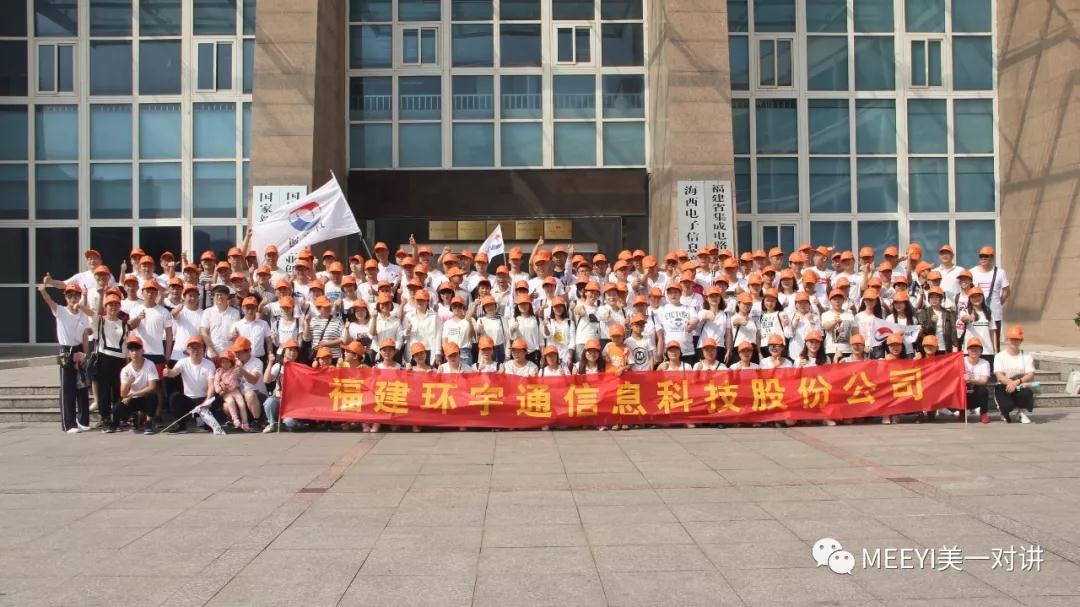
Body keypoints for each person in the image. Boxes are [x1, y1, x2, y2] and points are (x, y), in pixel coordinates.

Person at [38, 281, 92, 433]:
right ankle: (68, 424)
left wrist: (86, 356)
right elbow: (50, 301)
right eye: (70, 295)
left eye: (76, 295)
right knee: (67, 386)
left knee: (81, 385)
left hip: (79, 349)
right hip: (65, 350)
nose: (73, 298)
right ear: (66, 298)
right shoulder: (61, 311)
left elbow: (85, 336)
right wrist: (43, 291)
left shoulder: (83, 313)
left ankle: (82, 420)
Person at [163, 336, 220, 433]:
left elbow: (211, 386)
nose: (196, 351)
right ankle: (181, 425)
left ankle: (206, 421)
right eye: (193, 348)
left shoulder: (209, 365)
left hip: (204, 398)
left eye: (199, 348)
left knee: (215, 400)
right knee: (174, 397)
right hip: (189, 400)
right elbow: (174, 372)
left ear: (203, 349)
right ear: (188, 350)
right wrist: (168, 372)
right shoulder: (182, 362)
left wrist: (207, 401)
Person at [90, 293, 129, 430]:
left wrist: (127, 363)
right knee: (104, 390)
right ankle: (105, 417)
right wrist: (100, 294)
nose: (113, 307)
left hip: (120, 359)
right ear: (105, 307)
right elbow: (92, 314)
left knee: (118, 389)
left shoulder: (123, 324)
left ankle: (117, 418)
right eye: (110, 305)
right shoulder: (100, 321)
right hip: (104, 357)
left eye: (116, 305)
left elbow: (125, 345)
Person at [115, 335, 159, 434]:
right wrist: (128, 383)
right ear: (128, 353)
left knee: (152, 395)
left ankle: (148, 423)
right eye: (132, 350)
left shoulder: (150, 364)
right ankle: (133, 417)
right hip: (132, 399)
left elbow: (152, 387)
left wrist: (133, 394)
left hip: (144, 398)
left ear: (142, 351)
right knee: (117, 407)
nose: (135, 353)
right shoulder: (125, 370)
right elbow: (123, 393)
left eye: (137, 349)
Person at [969, 246, 1009, 350]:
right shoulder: (972, 272)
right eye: (981, 256)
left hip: (994, 315)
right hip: (977, 314)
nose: (983, 258)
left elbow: (1006, 291)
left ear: (992, 257)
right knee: (976, 342)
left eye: (986, 256)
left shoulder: (1000, 273)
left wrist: (998, 303)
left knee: (994, 344)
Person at [994, 326, 1035, 424]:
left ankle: (1021, 413)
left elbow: (1030, 374)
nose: (1014, 341)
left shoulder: (1027, 356)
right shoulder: (999, 356)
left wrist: (1016, 382)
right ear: (1007, 340)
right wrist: (1011, 384)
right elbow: (999, 376)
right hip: (1003, 386)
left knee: (1027, 393)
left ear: (1021, 341)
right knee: (1007, 406)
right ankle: (1003, 411)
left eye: (1017, 339)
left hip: (1020, 385)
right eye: (1012, 339)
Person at [262, 339, 299, 432]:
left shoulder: (300, 367)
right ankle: (272, 423)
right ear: (284, 351)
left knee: (289, 423)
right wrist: (270, 363)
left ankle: (283, 424)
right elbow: (266, 380)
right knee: (269, 402)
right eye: (290, 350)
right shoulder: (278, 366)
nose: (293, 353)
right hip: (279, 399)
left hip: (292, 402)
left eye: (295, 350)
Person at [200, 284, 240, 360]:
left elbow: (236, 332)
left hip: (229, 354)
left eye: (222, 295)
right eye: (217, 295)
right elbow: (203, 332)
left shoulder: (235, 312)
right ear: (213, 297)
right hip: (212, 354)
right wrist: (212, 350)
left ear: (227, 296)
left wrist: (233, 335)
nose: (219, 297)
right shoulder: (207, 312)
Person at [963, 338, 992, 424]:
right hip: (963, 389)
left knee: (983, 390)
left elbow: (984, 381)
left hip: (976, 390)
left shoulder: (985, 363)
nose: (974, 350)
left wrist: (971, 380)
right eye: (972, 348)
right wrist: (962, 378)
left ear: (981, 351)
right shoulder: (961, 361)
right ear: (968, 350)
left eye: (977, 349)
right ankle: (961, 411)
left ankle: (983, 414)